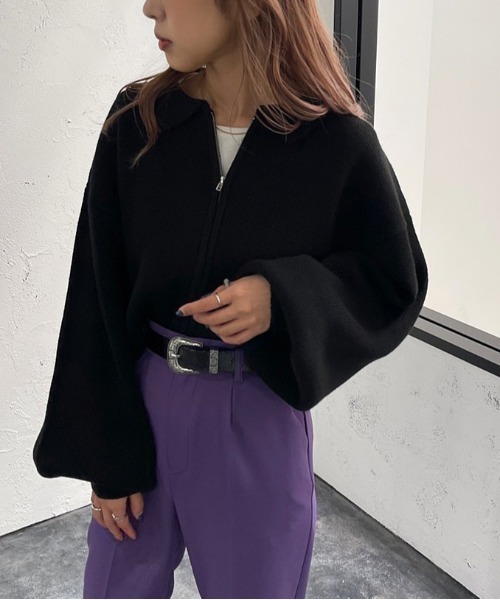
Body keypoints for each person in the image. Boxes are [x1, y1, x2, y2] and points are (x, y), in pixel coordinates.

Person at [32, 0, 428, 598]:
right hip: (141, 406)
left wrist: (283, 297)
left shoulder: (336, 142)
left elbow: (393, 277)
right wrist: (104, 455)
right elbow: (95, 289)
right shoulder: (139, 122)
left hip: (257, 417)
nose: (150, 8)